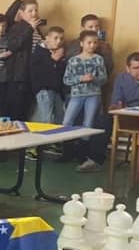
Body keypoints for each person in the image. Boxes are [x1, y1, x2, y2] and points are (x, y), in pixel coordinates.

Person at [62, 30, 108, 172]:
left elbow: (104, 79)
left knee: (88, 124)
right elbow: (66, 80)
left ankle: (83, 155)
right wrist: (81, 79)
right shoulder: (73, 60)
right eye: (89, 42)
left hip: (93, 94)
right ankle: (66, 152)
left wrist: (94, 79)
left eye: (95, 42)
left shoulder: (99, 59)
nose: (92, 45)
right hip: (76, 95)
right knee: (67, 122)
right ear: (81, 43)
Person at [4, 0, 42, 120]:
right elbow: (14, 45)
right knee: (16, 108)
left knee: (26, 108)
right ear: (22, 13)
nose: (34, 13)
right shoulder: (18, 27)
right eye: (30, 11)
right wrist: (30, 29)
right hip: (19, 74)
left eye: (36, 10)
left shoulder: (36, 28)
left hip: (33, 73)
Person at [29, 26, 67, 124]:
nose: (58, 41)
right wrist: (53, 60)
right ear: (47, 38)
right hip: (44, 90)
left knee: (61, 119)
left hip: (57, 91)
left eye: (61, 38)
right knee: (47, 120)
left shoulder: (60, 52)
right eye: (55, 38)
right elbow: (39, 74)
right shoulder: (38, 53)